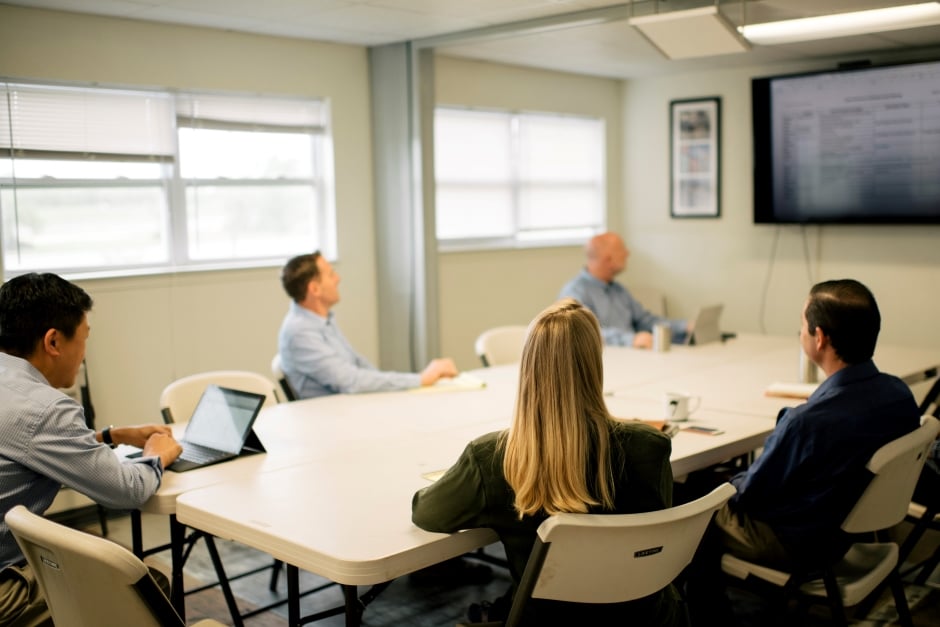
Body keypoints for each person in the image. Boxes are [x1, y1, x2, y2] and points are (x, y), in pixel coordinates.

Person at [412, 299, 685, 626]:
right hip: (647, 619)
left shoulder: (491, 459)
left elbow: (426, 514)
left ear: (527, 368)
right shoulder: (648, 447)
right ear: (596, 363)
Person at [685, 279, 920, 623]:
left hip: (801, 542)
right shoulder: (899, 395)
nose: (800, 332)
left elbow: (749, 495)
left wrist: (722, 481)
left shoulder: (807, 423)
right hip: (844, 529)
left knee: (693, 503)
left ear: (820, 337)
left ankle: (706, 616)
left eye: (801, 325)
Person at [0, 272, 182, 627]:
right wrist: (158, 453)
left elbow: (22, 447)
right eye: (83, 339)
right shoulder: (46, 408)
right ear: (53, 342)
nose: (83, 355)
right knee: (148, 585)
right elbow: (126, 491)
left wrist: (108, 436)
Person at [278, 251, 458, 400]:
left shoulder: (322, 319)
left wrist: (406, 384)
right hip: (330, 420)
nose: (338, 279)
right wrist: (420, 379)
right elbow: (350, 380)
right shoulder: (300, 332)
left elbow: (357, 363)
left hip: (348, 406)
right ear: (315, 289)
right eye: (331, 274)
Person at [559, 232, 689, 348]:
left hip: (634, 357)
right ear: (608, 259)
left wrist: (685, 326)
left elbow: (645, 321)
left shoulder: (618, 290)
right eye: (622, 249)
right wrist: (631, 340)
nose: (627, 253)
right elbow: (583, 333)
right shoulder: (574, 292)